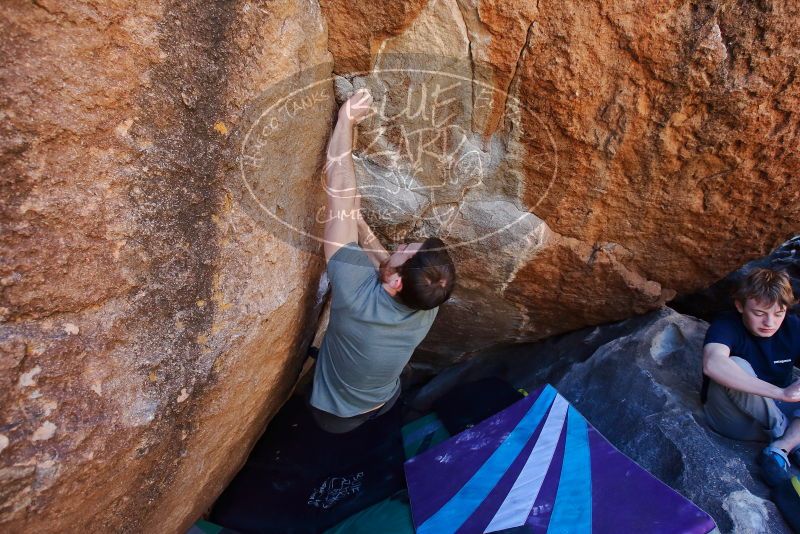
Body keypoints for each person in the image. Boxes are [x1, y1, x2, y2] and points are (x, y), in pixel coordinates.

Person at [308, 88, 456, 434]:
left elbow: (340, 190)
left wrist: (346, 119)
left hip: (335, 415)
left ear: (395, 284)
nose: (401, 244)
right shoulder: (428, 300)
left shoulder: (356, 293)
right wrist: (359, 226)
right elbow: (388, 265)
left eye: (405, 249)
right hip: (384, 398)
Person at [702, 267, 800, 486]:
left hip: (779, 408)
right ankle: (792, 438)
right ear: (740, 306)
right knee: (735, 364)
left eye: (778, 313)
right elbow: (713, 363)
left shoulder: (792, 327)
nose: (770, 323)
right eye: (759, 313)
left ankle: (780, 448)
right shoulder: (727, 324)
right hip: (735, 418)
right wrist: (781, 393)